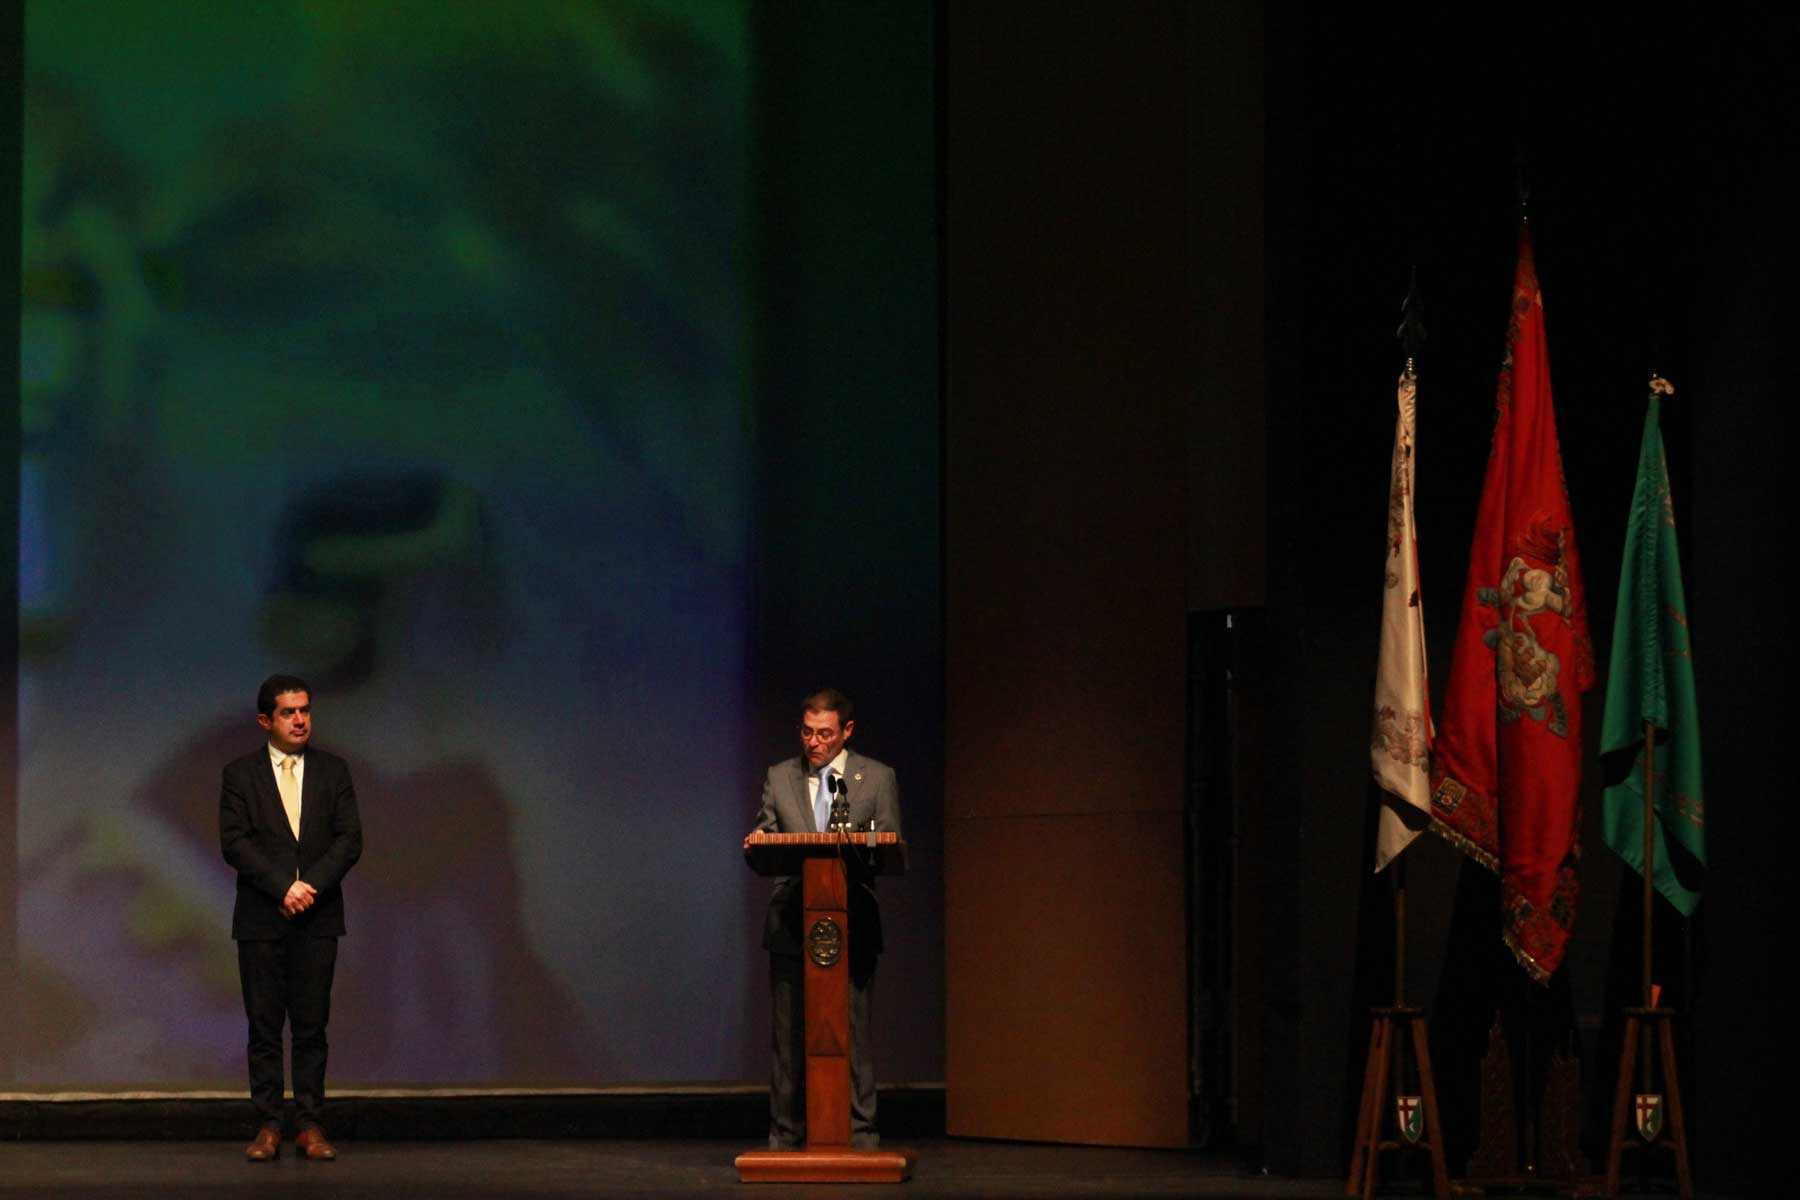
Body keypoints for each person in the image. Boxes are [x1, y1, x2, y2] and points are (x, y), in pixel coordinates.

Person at [746, 688, 901, 1149]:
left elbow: (891, 846)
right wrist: (756, 846)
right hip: (793, 922)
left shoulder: (875, 778)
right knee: (789, 1041)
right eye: (808, 733)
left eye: (825, 734)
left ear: (846, 732)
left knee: (851, 1036)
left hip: (852, 923)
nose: (814, 743)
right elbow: (766, 842)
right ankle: (787, 1137)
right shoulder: (780, 776)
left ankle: (860, 1135)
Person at [220, 674, 363, 1161]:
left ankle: (309, 1124)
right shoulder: (240, 774)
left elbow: (349, 840)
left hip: (317, 918)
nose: (300, 719)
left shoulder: (333, 770)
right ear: (266, 720)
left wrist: (310, 888)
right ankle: (267, 1125)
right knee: (263, 1027)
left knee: (311, 1026)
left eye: (305, 710)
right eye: (288, 712)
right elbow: (234, 842)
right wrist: (283, 886)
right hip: (262, 916)